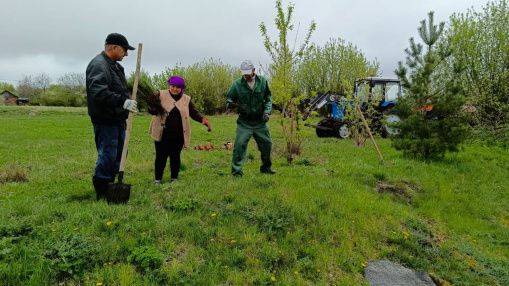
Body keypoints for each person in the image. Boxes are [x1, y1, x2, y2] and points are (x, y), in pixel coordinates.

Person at [86, 33, 138, 200]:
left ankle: (112, 185)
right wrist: (123, 102)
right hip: (105, 119)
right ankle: (102, 188)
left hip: (117, 119)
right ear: (114, 47)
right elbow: (98, 92)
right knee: (108, 154)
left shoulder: (114, 66)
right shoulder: (99, 65)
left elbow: (118, 89)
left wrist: (128, 101)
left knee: (120, 153)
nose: (127, 54)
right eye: (124, 50)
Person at [148, 76, 211, 184]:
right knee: (160, 156)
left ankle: (174, 178)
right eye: (173, 86)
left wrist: (202, 120)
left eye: (178, 87)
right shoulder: (160, 94)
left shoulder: (186, 99)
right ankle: (158, 179)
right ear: (169, 85)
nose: (175, 89)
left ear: (182, 88)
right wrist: (153, 108)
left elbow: (193, 113)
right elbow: (152, 110)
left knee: (175, 156)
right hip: (162, 133)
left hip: (179, 134)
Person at [226, 60, 275, 176]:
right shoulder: (237, 84)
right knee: (239, 146)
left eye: (248, 73)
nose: (246, 75)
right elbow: (229, 99)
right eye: (244, 73)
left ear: (254, 70)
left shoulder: (263, 82)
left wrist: (267, 112)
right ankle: (236, 172)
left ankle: (266, 168)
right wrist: (230, 105)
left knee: (267, 145)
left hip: (260, 121)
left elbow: (268, 98)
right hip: (244, 122)